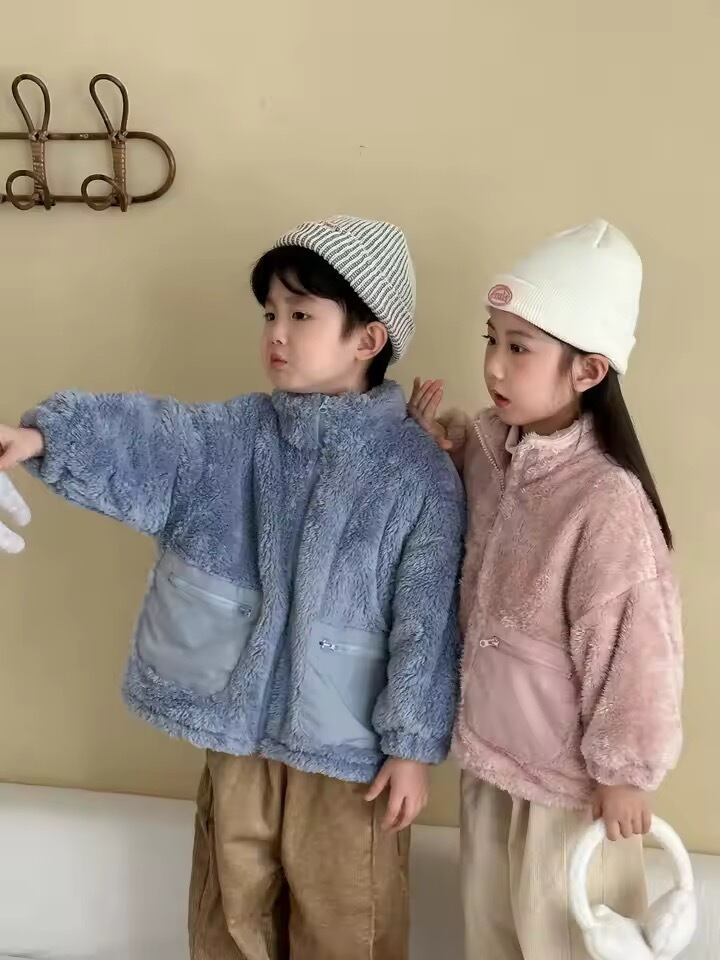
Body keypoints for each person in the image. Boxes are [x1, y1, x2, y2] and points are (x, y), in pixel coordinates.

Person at [0, 215, 465, 960]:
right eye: (270, 314)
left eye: (301, 315)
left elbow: (429, 621)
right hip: (235, 731)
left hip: (350, 755)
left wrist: (412, 747)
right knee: (228, 917)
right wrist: (44, 438)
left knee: (350, 918)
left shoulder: (417, 474)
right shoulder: (233, 437)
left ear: (368, 339)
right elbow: (152, 439)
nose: (276, 332)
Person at [409, 219, 683, 960]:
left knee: (564, 942)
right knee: (491, 937)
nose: (494, 365)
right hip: (492, 763)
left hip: (571, 794)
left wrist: (626, 774)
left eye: (519, 347)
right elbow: (460, 497)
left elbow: (637, 649)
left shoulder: (606, 500)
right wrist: (435, 446)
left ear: (588, 371)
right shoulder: (492, 452)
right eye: (491, 339)